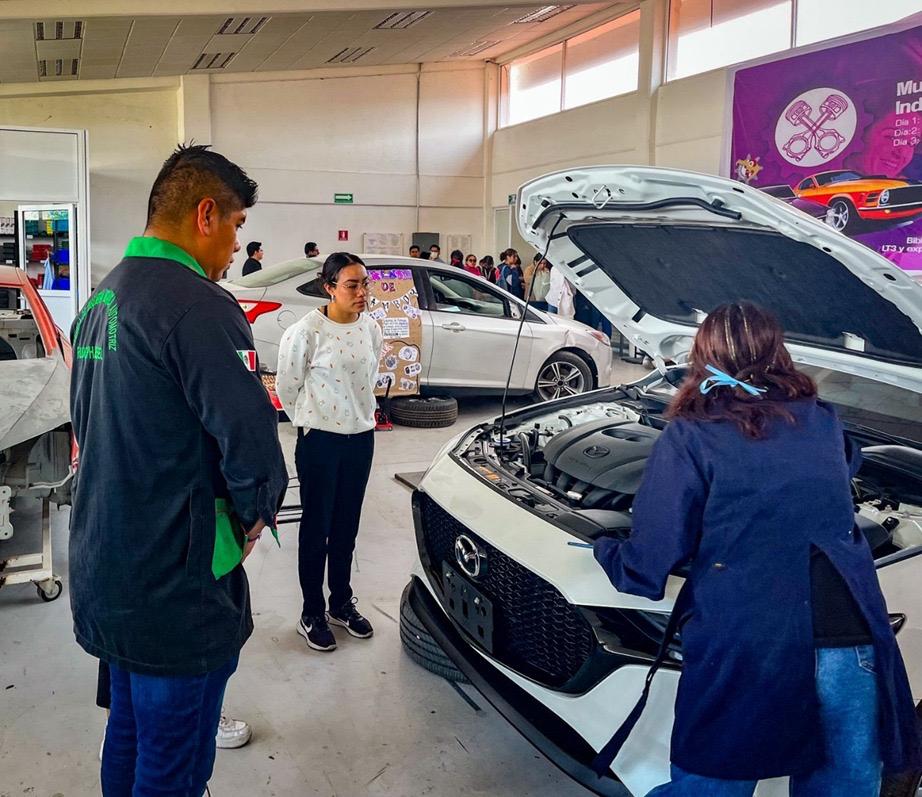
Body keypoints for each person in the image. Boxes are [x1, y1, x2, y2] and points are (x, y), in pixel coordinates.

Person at [591, 302, 921, 796]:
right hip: (849, 636)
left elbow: (648, 563)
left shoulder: (691, 434)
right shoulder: (821, 418)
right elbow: (845, 465)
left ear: (703, 355)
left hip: (748, 646)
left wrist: (604, 549)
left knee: (713, 785)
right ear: (778, 351)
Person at [69, 144, 289, 795]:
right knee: (172, 766)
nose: (236, 245)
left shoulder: (104, 298)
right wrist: (251, 521)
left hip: (107, 565)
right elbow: (251, 443)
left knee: (129, 732)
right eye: (236, 225)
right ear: (205, 214)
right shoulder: (198, 306)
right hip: (174, 583)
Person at [276, 252, 382, 653]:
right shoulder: (306, 331)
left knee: (346, 527)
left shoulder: (370, 327)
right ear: (329, 288)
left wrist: (356, 416)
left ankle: (340, 603)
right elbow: (288, 387)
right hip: (319, 440)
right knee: (316, 527)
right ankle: (312, 612)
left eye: (365, 284)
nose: (361, 292)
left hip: (361, 438)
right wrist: (312, 419)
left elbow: (369, 377)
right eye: (352, 285)